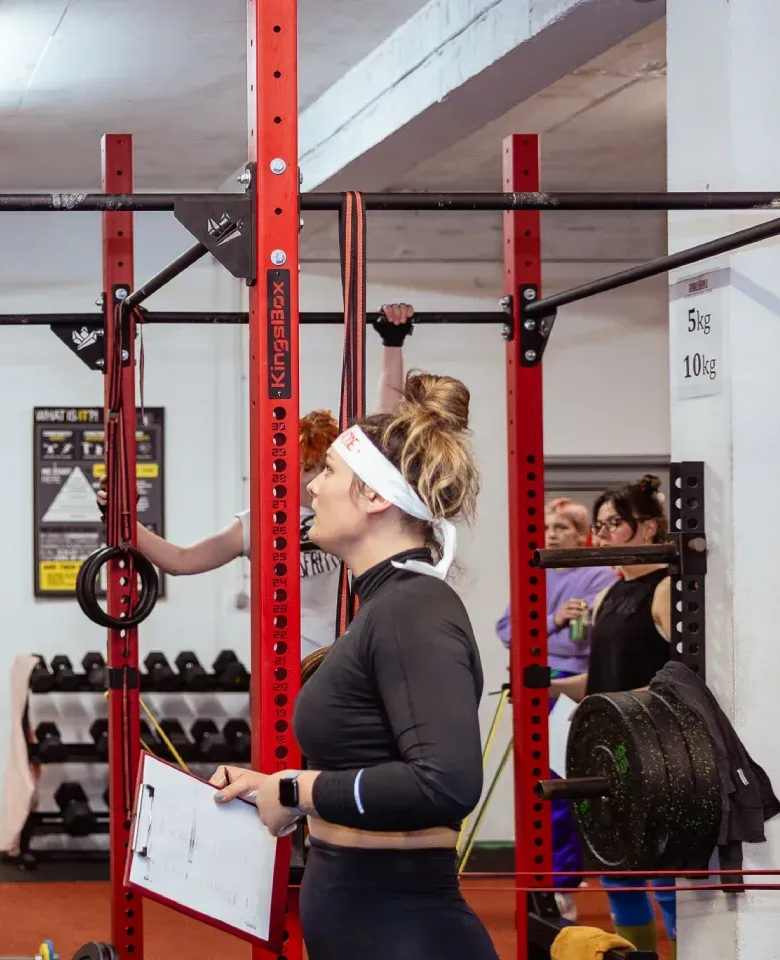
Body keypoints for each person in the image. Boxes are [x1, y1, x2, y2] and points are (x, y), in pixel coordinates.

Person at [209, 372, 496, 960]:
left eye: (329, 473)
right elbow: (372, 767)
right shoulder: (383, 608)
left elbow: (446, 783)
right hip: (361, 917)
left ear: (374, 497)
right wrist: (272, 787)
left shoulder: (412, 610)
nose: (312, 489)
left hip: (404, 932)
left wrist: (295, 788)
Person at [96, 303, 418, 656]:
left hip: (351, 656)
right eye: (310, 470)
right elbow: (181, 561)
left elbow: (385, 430)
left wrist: (392, 342)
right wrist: (119, 517)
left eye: (325, 469)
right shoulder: (260, 523)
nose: (315, 482)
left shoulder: (351, 507)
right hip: (287, 668)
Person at [548, 476, 676, 951]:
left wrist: (615, 707)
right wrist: (549, 684)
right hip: (606, 756)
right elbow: (600, 678)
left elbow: (680, 679)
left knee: (666, 883)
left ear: (649, 528)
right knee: (619, 880)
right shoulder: (607, 596)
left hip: (656, 755)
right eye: (598, 527)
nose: (600, 537)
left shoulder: (666, 591)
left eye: (612, 525)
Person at [493, 496, 615, 917]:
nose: (550, 535)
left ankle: (562, 883)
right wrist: (552, 621)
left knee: (558, 787)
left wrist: (568, 625)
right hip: (533, 689)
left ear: (583, 535)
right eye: (546, 528)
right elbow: (507, 630)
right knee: (535, 786)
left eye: (560, 528)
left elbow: (595, 636)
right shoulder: (534, 575)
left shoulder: (599, 575)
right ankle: (541, 878)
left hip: (573, 692)